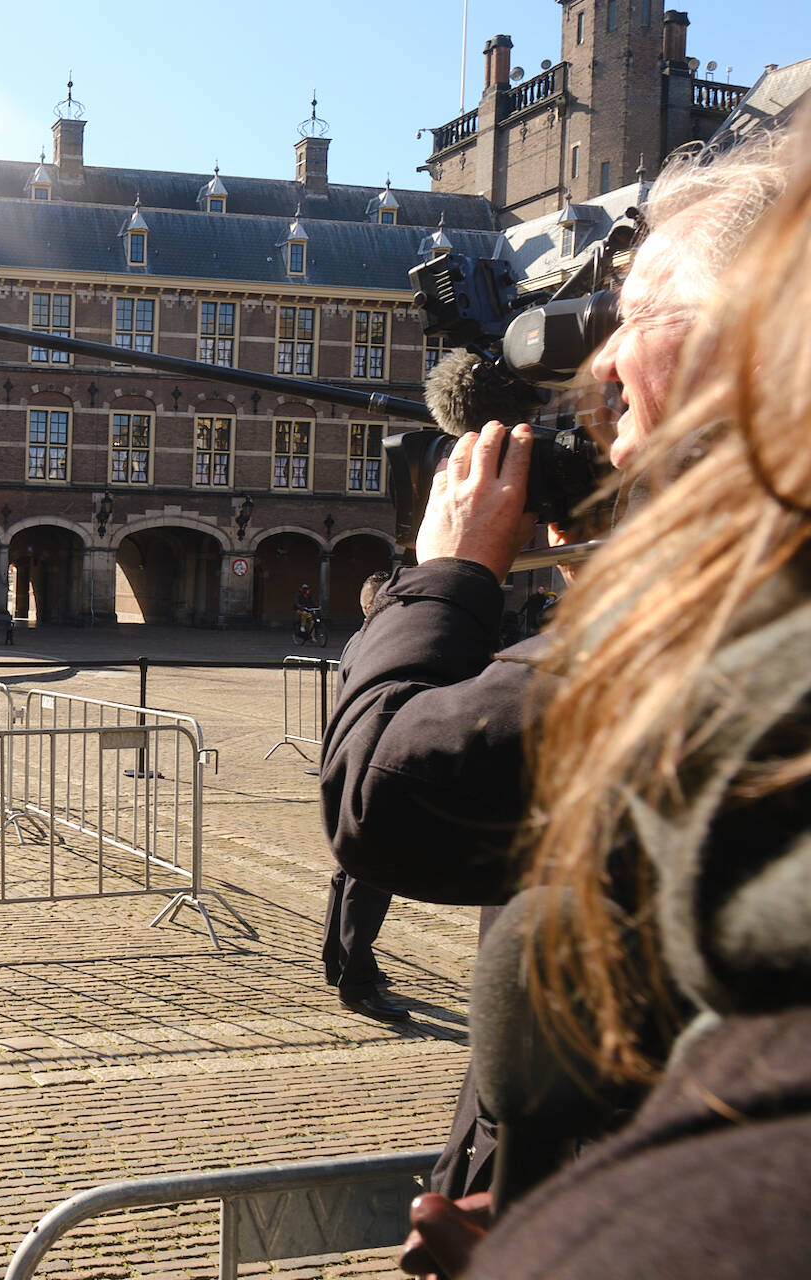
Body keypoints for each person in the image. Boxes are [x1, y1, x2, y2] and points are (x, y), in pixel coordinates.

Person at [321, 131, 792, 1207]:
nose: (606, 406)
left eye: (632, 350)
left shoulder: (731, 624)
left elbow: (383, 792)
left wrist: (445, 572)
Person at [321, 571, 404, 1023]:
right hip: (372, 768)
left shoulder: (360, 640)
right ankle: (356, 981)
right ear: (374, 607)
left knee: (349, 872)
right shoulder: (379, 645)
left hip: (352, 764)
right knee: (370, 876)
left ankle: (339, 962)